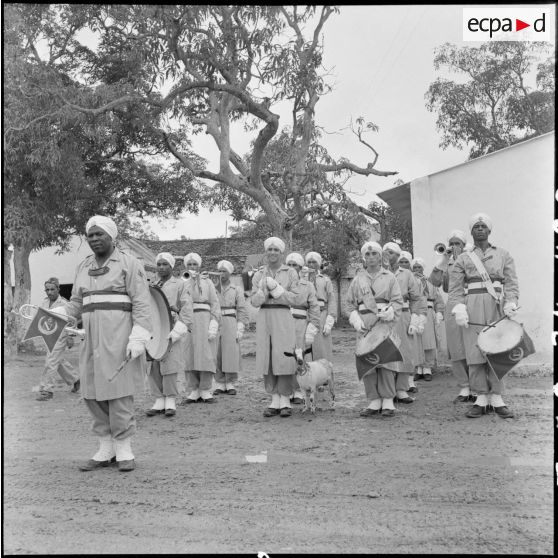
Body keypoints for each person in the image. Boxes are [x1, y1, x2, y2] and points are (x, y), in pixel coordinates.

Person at [62, 216, 152, 472]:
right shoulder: (83, 266)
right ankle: (106, 448)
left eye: (99, 234)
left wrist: (139, 335)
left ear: (112, 237)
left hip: (119, 336)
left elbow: (143, 302)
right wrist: (60, 312)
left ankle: (124, 449)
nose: (93, 239)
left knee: (118, 391)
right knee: (91, 391)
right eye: (90, 235)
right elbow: (77, 303)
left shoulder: (130, 263)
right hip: (90, 339)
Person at [448, 213, 519, 419]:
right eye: (476, 226)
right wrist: (459, 308)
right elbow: (455, 289)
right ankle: (480, 398)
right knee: (475, 350)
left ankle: (497, 398)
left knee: (497, 350)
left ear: (489, 230)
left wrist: (511, 302)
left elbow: (512, 283)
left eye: (483, 226)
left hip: (496, 306)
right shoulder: (463, 258)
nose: (479, 229)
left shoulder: (503, 254)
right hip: (472, 306)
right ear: (471, 232)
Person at [346, 241, 403, 417]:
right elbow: (349, 304)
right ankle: (373, 400)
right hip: (365, 324)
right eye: (368, 255)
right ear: (364, 258)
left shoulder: (390, 277)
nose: (371, 257)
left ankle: (387, 400)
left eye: (374, 254)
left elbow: (398, 301)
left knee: (386, 361)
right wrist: (355, 319)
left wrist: (391, 311)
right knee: (367, 361)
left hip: (384, 323)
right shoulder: (358, 279)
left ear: (380, 257)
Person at [251, 237, 299, 418]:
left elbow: (295, 299)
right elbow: (254, 302)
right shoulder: (258, 274)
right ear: (266, 252)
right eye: (269, 249)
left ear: (281, 252)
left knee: (284, 355)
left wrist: (277, 289)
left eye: (275, 250)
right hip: (264, 316)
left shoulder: (291, 273)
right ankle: (274, 398)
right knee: (267, 355)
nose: (272, 252)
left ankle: (285, 398)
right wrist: (262, 292)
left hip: (283, 315)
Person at [429, 230, 474, 403]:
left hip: (471, 302)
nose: (455, 247)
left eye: (458, 244)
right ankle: (464, 386)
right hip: (453, 305)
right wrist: (443, 261)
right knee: (456, 347)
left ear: (464, 245)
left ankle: (477, 386)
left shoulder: (471, 258)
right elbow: (434, 282)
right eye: (452, 244)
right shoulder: (447, 262)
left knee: (472, 345)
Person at [146, 253, 193, 417]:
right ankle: (158, 399)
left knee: (170, 362)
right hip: (154, 327)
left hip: (172, 326)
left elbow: (187, 307)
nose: (161, 267)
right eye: (159, 264)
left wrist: (179, 327)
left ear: (171, 267)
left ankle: (170, 399)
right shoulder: (152, 284)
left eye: (165, 264)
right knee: (153, 362)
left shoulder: (181, 284)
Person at [383, 242, 427, 403]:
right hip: (382, 317)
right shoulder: (378, 273)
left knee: (403, 351)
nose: (388, 255)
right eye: (386, 252)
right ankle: (387, 390)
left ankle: (401, 389)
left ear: (398, 256)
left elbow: (416, 297)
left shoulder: (407, 274)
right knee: (385, 352)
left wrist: (416, 318)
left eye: (392, 253)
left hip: (402, 315)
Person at [182, 253, 221, 403]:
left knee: (206, 354)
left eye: (195, 264)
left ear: (199, 266)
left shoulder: (208, 282)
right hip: (188, 320)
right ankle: (194, 389)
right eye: (189, 265)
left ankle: (205, 389)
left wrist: (214, 321)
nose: (192, 267)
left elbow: (215, 302)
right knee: (189, 354)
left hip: (204, 319)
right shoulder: (182, 281)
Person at [35, 277, 80, 401]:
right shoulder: (44, 302)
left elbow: (71, 321)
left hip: (61, 336)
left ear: (58, 289)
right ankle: (75, 379)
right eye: (47, 290)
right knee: (57, 361)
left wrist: (70, 337)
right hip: (49, 335)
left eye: (52, 289)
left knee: (51, 361)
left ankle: (46, 390)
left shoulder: (65, 304)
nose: (49, 292)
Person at [285, 252, 320, 404]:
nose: (292, 268)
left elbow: (314, 307)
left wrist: (312, 326)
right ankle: (286, 389)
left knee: (300, 355)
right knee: (284, 355)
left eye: (295, 266)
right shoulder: (281, 284)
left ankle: (299, 389)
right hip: (283, 322)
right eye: (289, 265)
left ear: (300, 268)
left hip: (300, 323)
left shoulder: (308, 285)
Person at [212, 260, 249, 396]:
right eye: (220, 271)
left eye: (224, 271)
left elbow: (241, 308)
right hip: (216, 320)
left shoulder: (237, 289)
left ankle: (230, 382)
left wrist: (240, 325)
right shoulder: (213, 288)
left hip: (230, 321)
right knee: (217, 351)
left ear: (230, 273)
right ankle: (220, 382)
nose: (222, 274)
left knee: (230, 351)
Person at [412, 257, 445, 381]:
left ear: (423, 268)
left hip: (428, 313)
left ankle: (427, 368)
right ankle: (418, 368)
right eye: (414, 267)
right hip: (414, 313)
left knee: (428, 340)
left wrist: (439, 312)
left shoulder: (430, 282)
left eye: (419, 267)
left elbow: (438, 299)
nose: (416, 269)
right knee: (415, 341)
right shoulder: (408, 281)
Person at [305, 251, 336, 363]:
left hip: (321, 313)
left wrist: (331, 317)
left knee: (322, 345)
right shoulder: (302, 279)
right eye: (309, 262)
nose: (311, 264)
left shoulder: (325, 279)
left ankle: (324, 375)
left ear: (318, 264)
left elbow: (331, 298)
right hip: (306, 314)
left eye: (314, 262)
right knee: (306, 345)